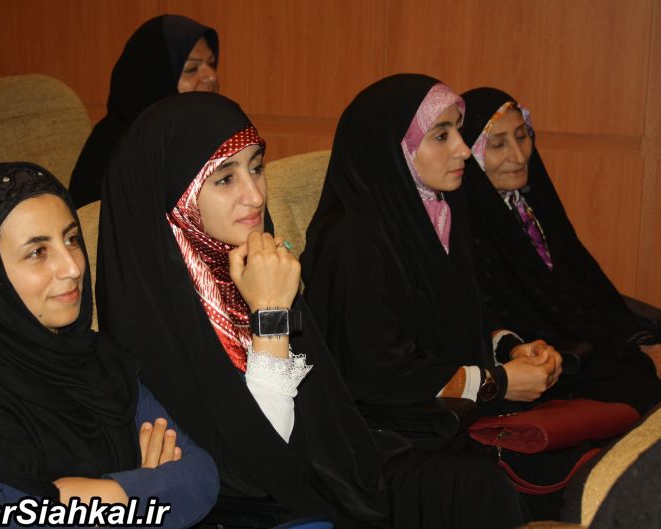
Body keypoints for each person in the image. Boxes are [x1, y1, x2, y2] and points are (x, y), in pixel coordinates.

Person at [95, 91, 529, 529]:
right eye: (225, 179)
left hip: (321, 473)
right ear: (174, 196)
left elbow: (327, 417)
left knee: (475, 485)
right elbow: (259, 460)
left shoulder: (255, 260)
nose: (255, 195)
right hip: (255, 504)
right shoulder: (151, 309)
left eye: (256, 168)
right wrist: (270, 316)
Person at [0, 162, 218, 529]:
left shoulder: (98, 360)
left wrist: (111, 495)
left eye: (71, 239)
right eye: (37, 252)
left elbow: (202, 476)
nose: (72, 267)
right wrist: (150, 487)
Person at [301, 74, 562, 415]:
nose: (464, 150)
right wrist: (496, 383)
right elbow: (373, 374)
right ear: (394, 149)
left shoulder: (438, 211)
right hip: (388, 430)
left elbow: (453, 320)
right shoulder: (351, 240)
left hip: (452, 415)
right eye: (441, 135)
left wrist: (509, 349)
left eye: (458, 131)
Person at [459, 87, 661, 414]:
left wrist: (637, 341)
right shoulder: (464, 226)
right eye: (498, 144)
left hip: (582, 338)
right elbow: (509, 319)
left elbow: (584, 281)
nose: (519, 156)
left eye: (522, 137)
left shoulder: (530, 202)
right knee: (637, 389)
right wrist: (632, 356)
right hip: (537, 361)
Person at [68, 14, 219, 207]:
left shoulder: (203, 130)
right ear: (155, 79)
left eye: (211, 64)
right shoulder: (122, 150)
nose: (211, 76)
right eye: (191, 69)